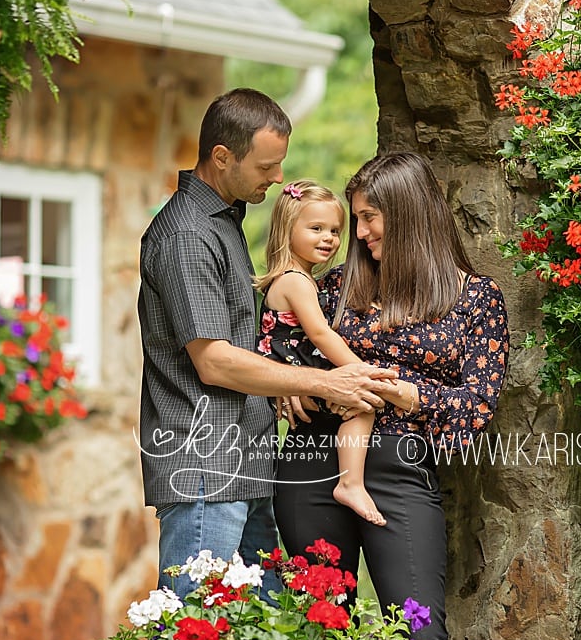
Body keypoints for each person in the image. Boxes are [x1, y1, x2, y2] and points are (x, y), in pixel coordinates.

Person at [137, 88, 395, 596]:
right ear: (222, 157)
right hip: (205, 466)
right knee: (198, 638)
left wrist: (281, 381)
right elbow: (212, 361)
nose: (278, 178)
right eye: (266, 166)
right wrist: (324, 381)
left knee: (262, 637)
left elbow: (248, 340)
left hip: (247, 464)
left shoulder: (225, 223)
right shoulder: (187, 236)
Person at [274, 152, 507, 640]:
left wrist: (401, 391)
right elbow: (283, 338)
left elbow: (474, 413)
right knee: (319, 637)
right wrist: (286, 384)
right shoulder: (334, 289)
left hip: (400, 471)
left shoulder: (475, 299)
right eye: (354, 219)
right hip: (312, 463)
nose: (358, 234)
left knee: (418, 638)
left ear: (408, 215)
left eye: (369, 217)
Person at [253, 180, 386, 527]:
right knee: (361, 403)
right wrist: (361, 371)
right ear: (287, 229)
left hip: (299, 370)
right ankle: (351, 483)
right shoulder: (295, 280)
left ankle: (348, 480)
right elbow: (319, 333)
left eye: (335, 231)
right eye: (316, 229)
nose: (329, 238)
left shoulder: (302, 278)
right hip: (303, 370)